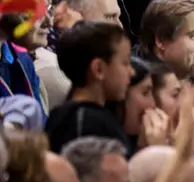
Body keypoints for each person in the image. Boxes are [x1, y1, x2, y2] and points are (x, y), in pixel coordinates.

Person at [45, 21, 134, 153]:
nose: (132, 72)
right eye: (125, 63)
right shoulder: (86, 123)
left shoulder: (62, 115)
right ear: (98, 69)